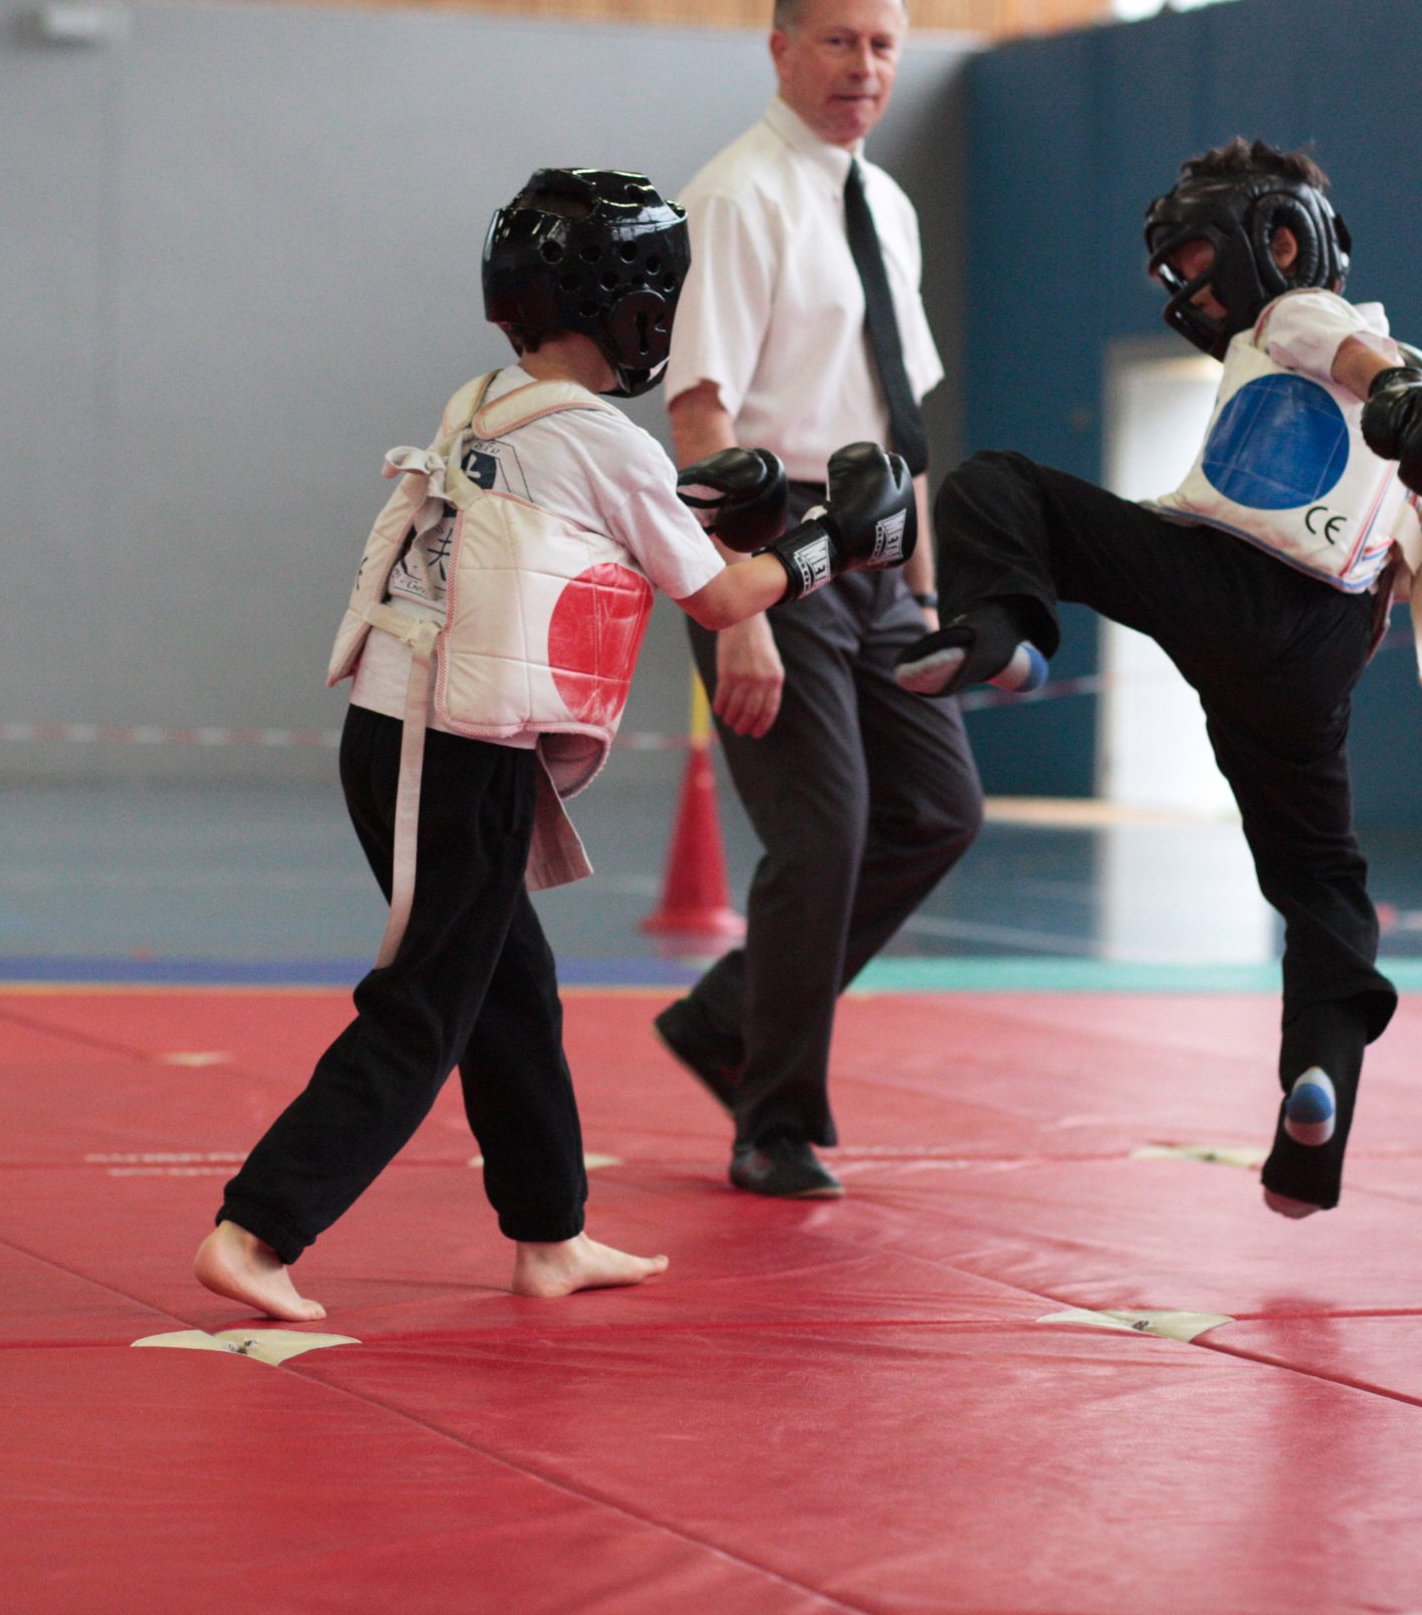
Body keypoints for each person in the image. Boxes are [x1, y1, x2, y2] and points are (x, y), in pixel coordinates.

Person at [193, 169, 917, 1322]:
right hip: (453, 749)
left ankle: (550, 1233)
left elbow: (587, 519)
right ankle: (259, 1227)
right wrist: (838, 543)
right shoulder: (604, 441)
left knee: (511, 989)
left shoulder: (484, 399)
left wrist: (709, 503)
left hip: (409, 736)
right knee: (430, 1000)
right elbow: (726, 601)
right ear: (624, 301)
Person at [896, 139, 1422, 1217]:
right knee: (1324, 888)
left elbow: (1346, 347)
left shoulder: (1301, 316)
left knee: (1001, 487)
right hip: (1314, 661)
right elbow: (1389, 565)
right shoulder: (1389, 392)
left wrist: (1394, 386)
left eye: (1196, 259)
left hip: (1224, 584)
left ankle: (1005, 632)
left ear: (1278, 239)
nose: (1188, 289)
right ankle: (1314, 1110)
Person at [652, 0, 984, 1201]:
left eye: (885, 45)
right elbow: (698, 416)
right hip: (771, 535)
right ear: (782, 48)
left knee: (941, 811)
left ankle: (724, 1021)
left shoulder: (884, 207)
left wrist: (931, 592)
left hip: (880, 543)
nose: (864, 68)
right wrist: (740, 608)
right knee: (825, 831)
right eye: (839, 41)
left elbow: (903, 426)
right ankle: (769, 1118)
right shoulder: (736, 197)